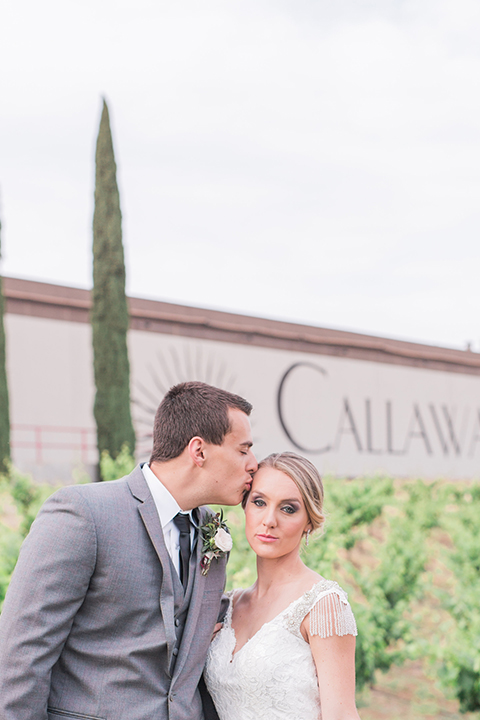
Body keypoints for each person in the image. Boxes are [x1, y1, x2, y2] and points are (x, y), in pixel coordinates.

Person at [0, 381, 257, 720]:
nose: (254, 463)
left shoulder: (214, 531)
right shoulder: (83, 514)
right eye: (243, 450)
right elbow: (20, 658)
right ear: (199, 451)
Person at [205, 451, 361, 720]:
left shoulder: (323, 603)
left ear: (309, 522)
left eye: (288, 508)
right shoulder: (228, 604)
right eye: (259, 502)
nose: (269, 520)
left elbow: (342, 714)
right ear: (245, 507)